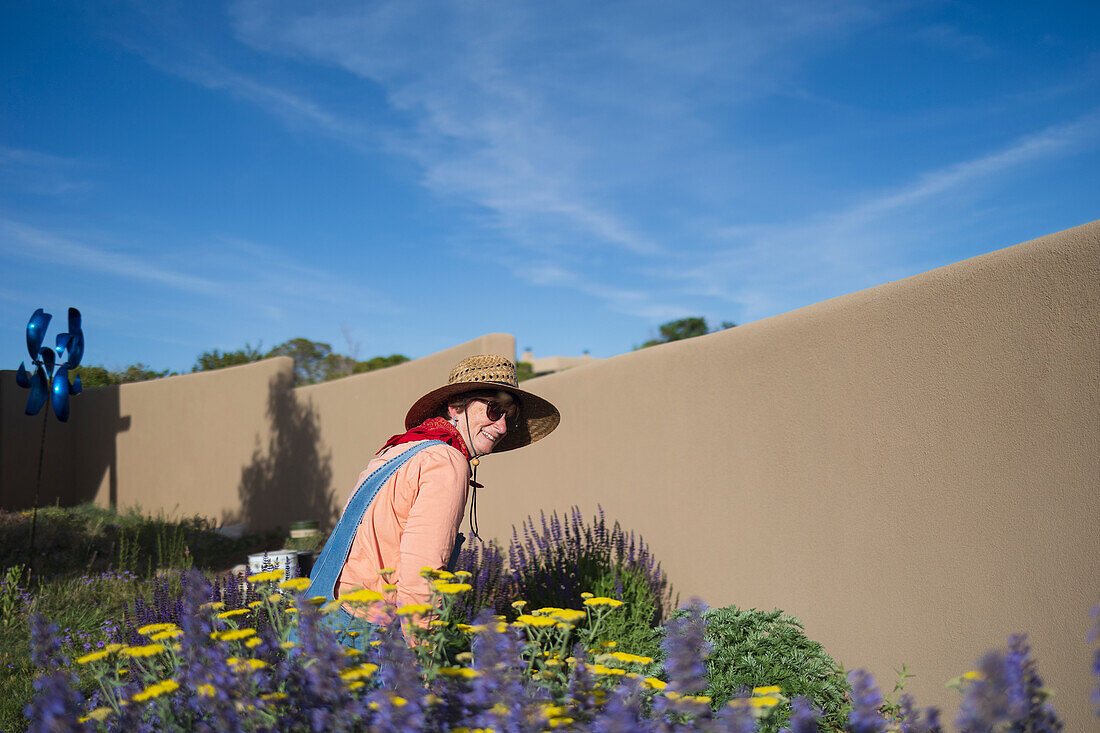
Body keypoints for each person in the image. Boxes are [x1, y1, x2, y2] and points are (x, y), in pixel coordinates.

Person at [304, 354, 560, 645]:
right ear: (455, 407)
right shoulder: (446, 461)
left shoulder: (399, 452)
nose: (501, 426)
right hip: (364, 630)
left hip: (321, 612)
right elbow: (424, 571)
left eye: (509, 416)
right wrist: (423, 650)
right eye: (494, 409)